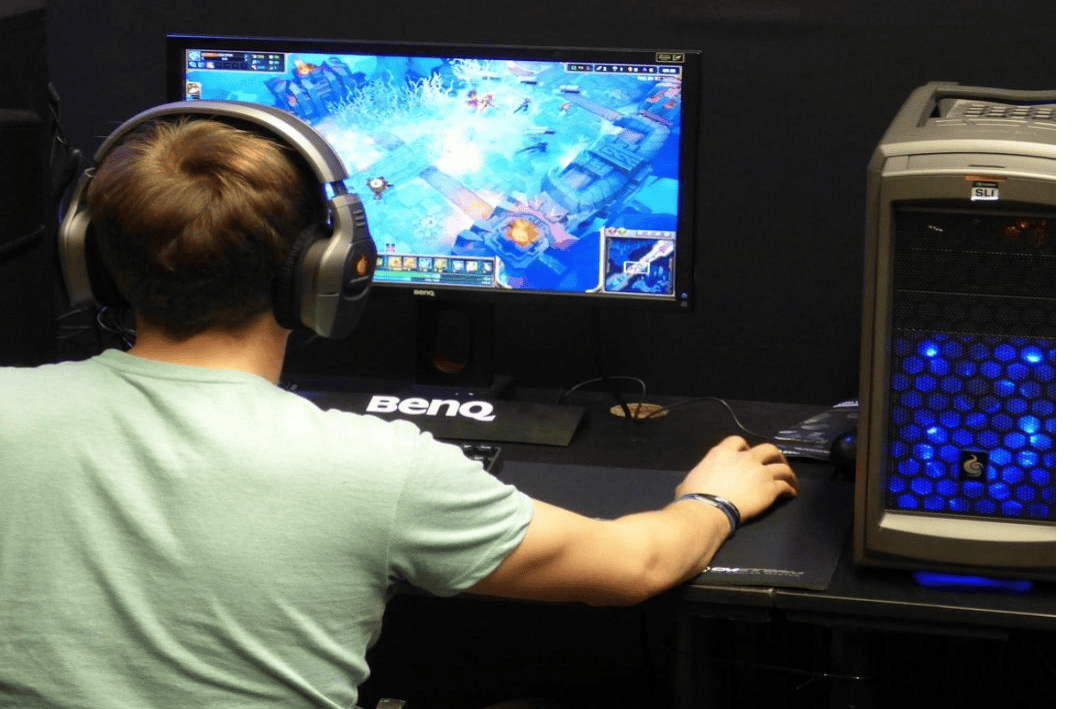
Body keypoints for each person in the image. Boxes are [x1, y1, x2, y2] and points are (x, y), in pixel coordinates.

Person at [0, 115, 798, 709]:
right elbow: (634, 568)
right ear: (326, 271)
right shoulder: (379, 468)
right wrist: (713, 498)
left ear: (91, 261)